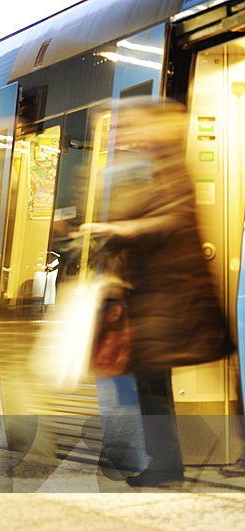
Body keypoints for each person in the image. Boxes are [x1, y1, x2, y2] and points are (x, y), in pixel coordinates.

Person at [82, 97, 232, 488]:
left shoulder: (167, 166)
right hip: (158, 298)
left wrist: (123, 230)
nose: (126, 136)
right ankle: (163, 465)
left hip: (168, 299)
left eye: (131, 128)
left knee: (153, 386)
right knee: (153, 386)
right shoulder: (154, 165)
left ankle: (165, 467)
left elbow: (173, 217)